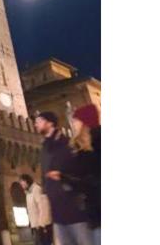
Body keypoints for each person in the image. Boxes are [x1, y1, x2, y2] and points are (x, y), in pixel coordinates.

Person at [35, 111, 93, 245]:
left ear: (50, 123)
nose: (35, 124)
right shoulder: (44, 148)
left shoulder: (67, 144)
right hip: (58, 214)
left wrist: (63, 178)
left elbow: (81, 174)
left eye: (39, 121)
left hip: (75, 211)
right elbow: (45, 179)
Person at [47, 105, 101, 245]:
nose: (73, 123)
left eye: (76, 120)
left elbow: (91, 182)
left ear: (85, 122)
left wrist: (64, 178)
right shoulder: (83, 147)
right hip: (94, 214)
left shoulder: (94, 146)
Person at [19, 174, 53, 245]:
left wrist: (41, 224)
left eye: (22, 181)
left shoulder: (36, 189)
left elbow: (43, 207)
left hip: (42, 225)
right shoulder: (28, 193)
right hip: (35, 225)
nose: (21, 184)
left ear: (26, 181)